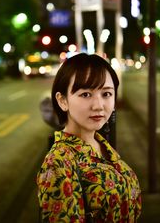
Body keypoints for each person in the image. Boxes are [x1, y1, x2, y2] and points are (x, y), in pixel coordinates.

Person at [37, 53, 142, 222]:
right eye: (86, 94)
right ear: (62, 100)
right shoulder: (58, 163)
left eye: (106, 94)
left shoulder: (101, 144)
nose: (98, 105)